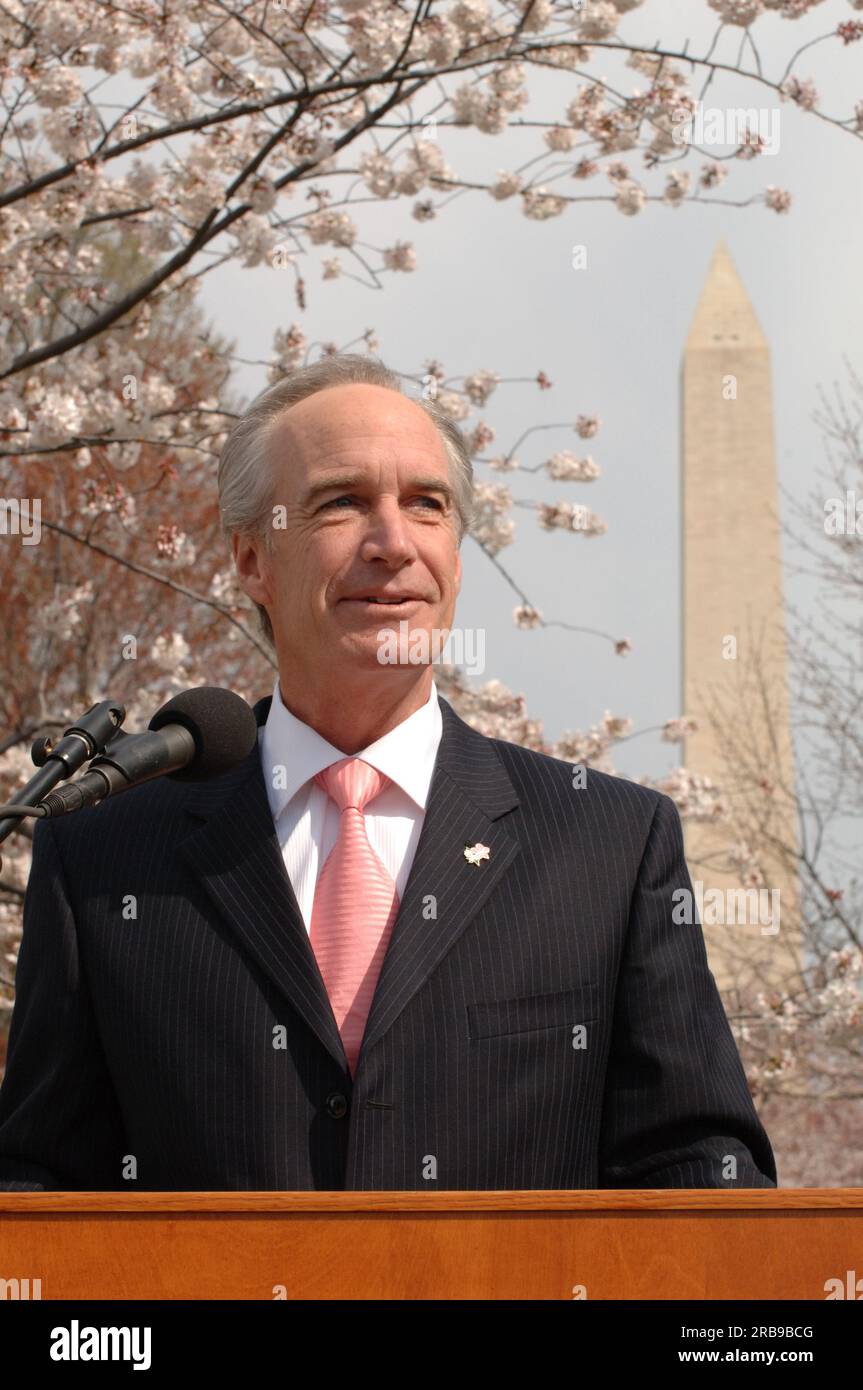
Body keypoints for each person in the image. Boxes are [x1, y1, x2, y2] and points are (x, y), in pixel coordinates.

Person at [0, 354, 776, 1190]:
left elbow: (698, 1172)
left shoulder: (610, 845)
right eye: (341, 502)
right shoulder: (106, 854)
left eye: (427, 506)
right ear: (252, 559)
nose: (394, 542)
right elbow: (41, 1184)